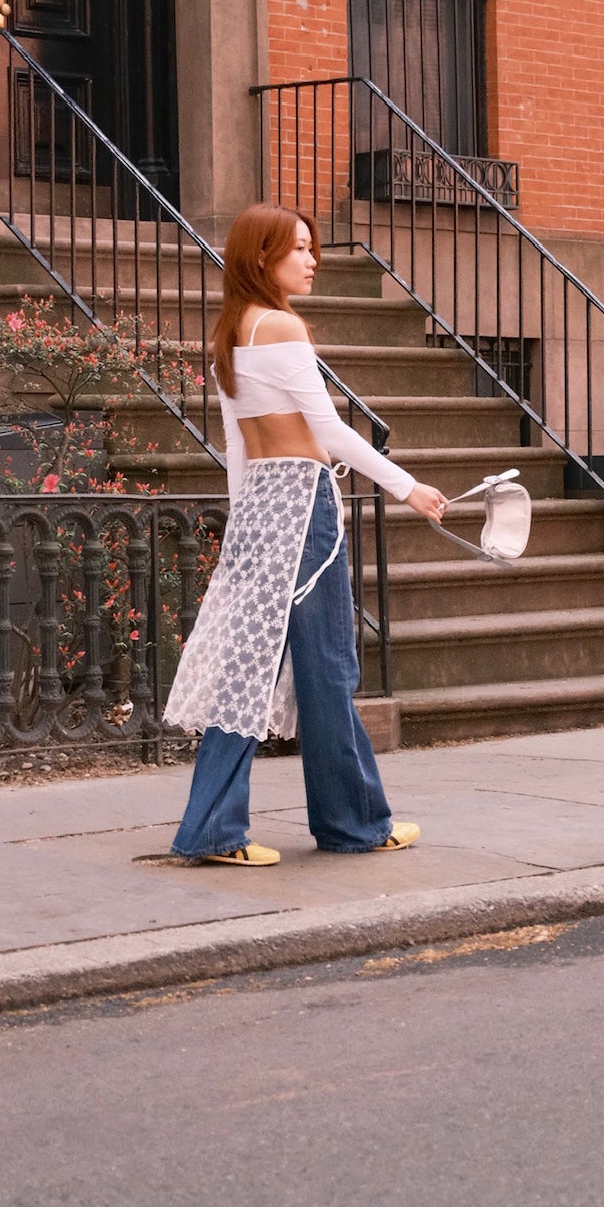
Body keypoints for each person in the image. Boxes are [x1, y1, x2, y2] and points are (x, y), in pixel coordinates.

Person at [166, 203, 449, 865]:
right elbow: (328, 430)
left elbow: (237, 444)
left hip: (263, 504)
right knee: (326, 665)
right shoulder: (285, 327)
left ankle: (224, 828)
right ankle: (349, 824)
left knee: (248, 670)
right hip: (300, 505)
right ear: (261, 257)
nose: (312, 259)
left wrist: (242, 524)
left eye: (311, 247)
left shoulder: (232, 332)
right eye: (298, 248)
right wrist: (407, 487)